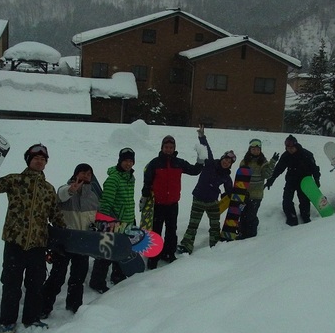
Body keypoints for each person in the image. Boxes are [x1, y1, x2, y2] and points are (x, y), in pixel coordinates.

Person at [0, 144, 66, 333]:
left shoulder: (49, 189)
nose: (39, 161)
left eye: (43, 159)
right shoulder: (15, 180)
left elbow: (55, 216)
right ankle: (7, 322)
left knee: (35, 286)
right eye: (36, 158)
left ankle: (31, 318)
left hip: (37, 246)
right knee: (11, 285)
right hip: (15, 243)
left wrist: (64, 236)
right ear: (28, 160)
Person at [41, 163, 99, 318]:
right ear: (75, 174)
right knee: (57, 277)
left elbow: (95, 217)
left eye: (89, 174)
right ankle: (43, 308)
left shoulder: (93, 196)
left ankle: (74, 306)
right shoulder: (66, 190)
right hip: (64, 242)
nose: (86, 176)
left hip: (82, 243)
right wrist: (71, 190)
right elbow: (60, 195)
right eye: (83, 173)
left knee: (78, 278)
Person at [140, 135, 203, 269]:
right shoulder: (155, 163)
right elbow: (147, 179)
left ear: (174, 148)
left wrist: (200, 160)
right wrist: (145, 193)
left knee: (171, 230)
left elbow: (194, 171)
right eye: (166, 147)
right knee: (156, 231)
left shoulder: (179, 163)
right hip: (157, 204)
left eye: (171, 147)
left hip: (173, 204)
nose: (168, 150)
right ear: (162, 148)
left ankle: (169, 253)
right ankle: (153, 257)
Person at [177, 125, 234, 254]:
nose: (226, 162)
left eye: (229, 162)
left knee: (215, 225)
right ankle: (186, 245)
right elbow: (207, 148)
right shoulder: (210, 163)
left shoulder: (226, 176)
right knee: (193, 224)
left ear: (230, 165)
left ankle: (215, 246)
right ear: (222, 158)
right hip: (198, 198)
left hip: (213, 202)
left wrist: (232, 195)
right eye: (225, 159)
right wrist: (202, 136)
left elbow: (229, 189)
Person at [89, 148, 136, 293]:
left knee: (121, 250)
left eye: (130, 161)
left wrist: (131, 219)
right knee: (106, 252)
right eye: (125, 160)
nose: (128, 164)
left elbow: (128, 200)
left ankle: (118, 275)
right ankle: (97, 282)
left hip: (126, 221)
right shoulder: (113, 179)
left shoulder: (130, 178)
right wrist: (107, 224)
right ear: (120, 161)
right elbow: (106, 204)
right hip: (113, 222)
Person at [264, 135, 320, 226]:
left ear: (296, 146)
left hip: (304, 181)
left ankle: (305, 216)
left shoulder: (306, 154)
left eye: (292, 148)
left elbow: (315, 168)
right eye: (288, 148)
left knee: (304, 200)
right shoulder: (286, 155)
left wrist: (317, 179)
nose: (290, 150)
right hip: (291, 180)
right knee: (287, 200)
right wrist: (271, 180)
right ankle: (292, 217)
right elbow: (278, 169)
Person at [238, 138, 279, 239]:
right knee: (242, 215)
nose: (255, 151)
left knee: (250, 216)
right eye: (253, 149)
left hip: (256, 195)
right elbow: (240, 177)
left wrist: (272, 162)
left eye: (258, 149)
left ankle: (251, 235)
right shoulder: (244, 162)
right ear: (250, 149)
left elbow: (267, 175)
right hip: (244, 195)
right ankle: (242, 233)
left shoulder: (263, 162)